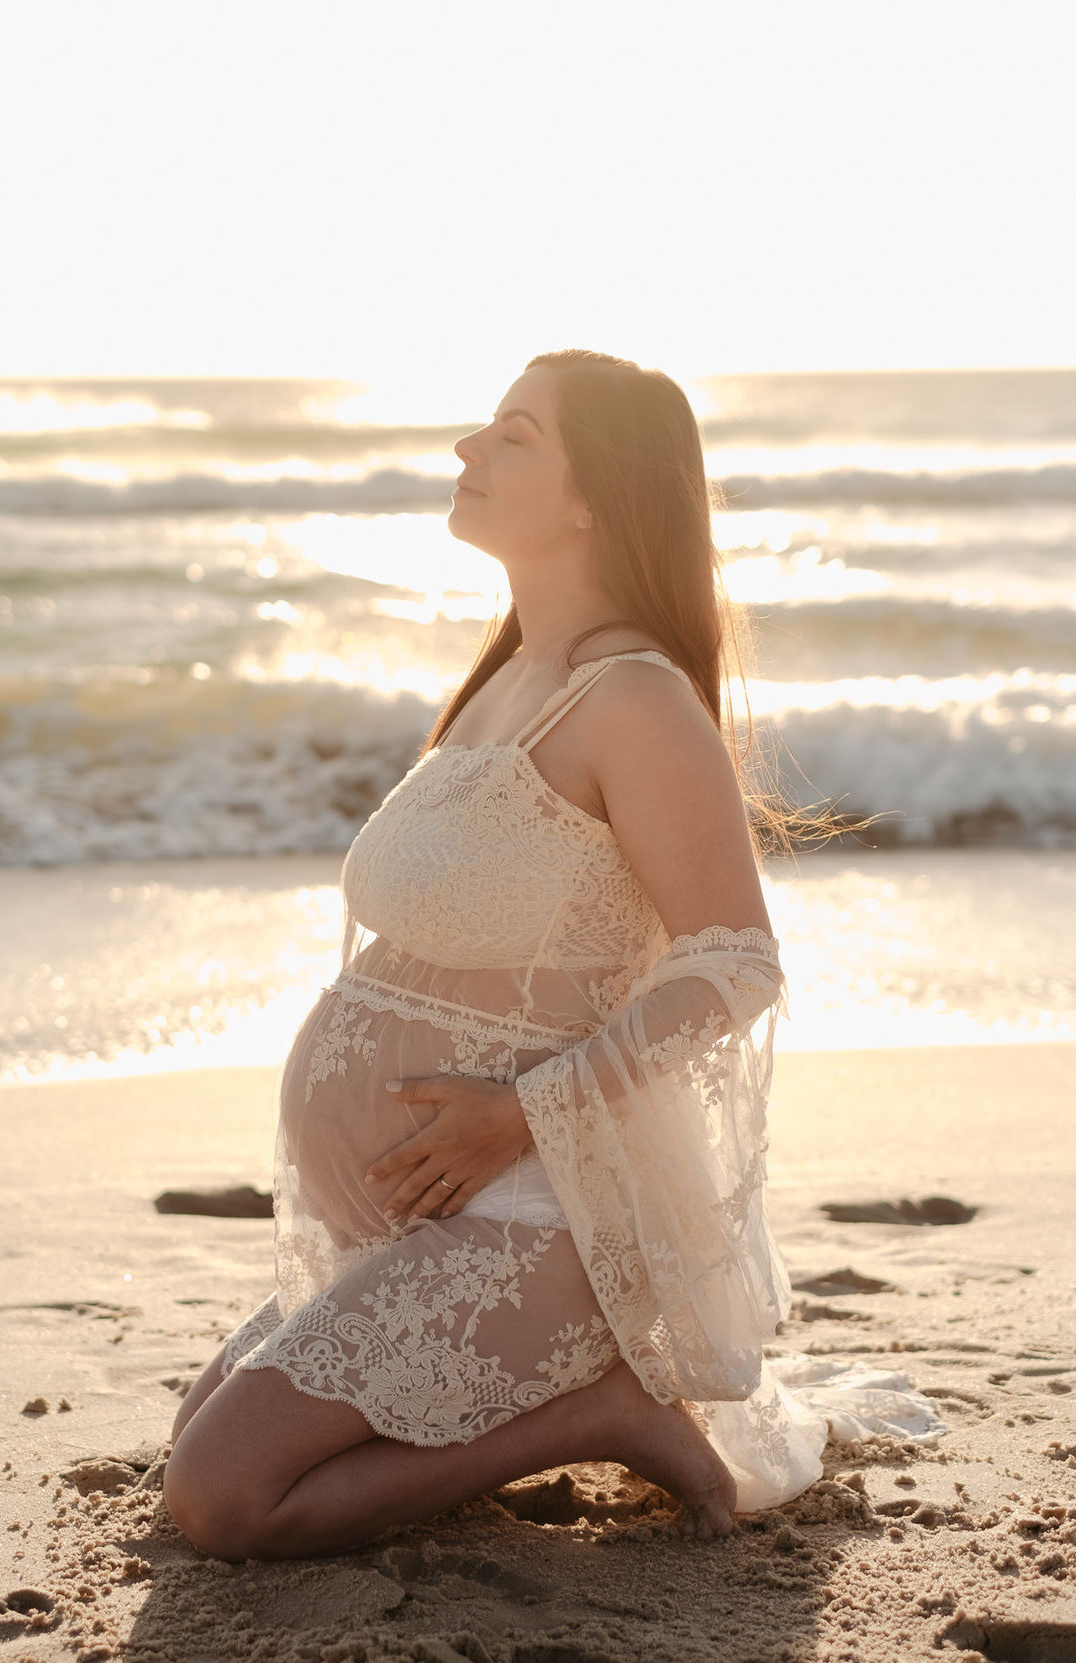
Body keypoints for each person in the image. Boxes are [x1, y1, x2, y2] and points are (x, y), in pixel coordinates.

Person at [162, 349, 833, 1562]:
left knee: (222, 1497)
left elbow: (736, 963)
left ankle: (602, 1406)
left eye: (514, 434)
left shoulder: (634, 701)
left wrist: (522, 1113)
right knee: (200, 1436)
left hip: (535, 1214)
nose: (468, 450)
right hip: (411, 1225)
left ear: (597, 497)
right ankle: (542, 1397)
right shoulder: (510, 678)